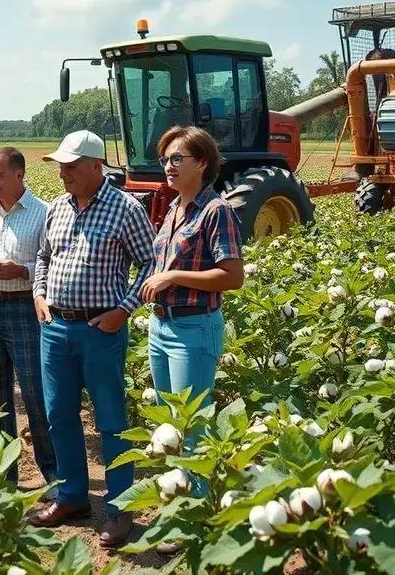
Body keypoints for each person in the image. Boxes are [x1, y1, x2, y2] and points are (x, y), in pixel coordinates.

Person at [29, 130, 156, 549]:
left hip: (101, 331)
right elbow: (44, 256)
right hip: (56, 329)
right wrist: (39, 293)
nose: (62, 172)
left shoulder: (125, 208)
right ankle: (71, 497)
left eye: (70, 165)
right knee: (59, 416)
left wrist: (124, 309)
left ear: (94, 166)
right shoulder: (57, 208)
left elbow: (150, 264)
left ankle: (120, 510)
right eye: (60, 165)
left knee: (111, 422)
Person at [139, 126, 244, 553]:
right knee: (171, 425)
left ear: (202, 163)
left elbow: (233, 276)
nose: (168, 165)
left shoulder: (215, 210)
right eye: (165, 158)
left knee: (193, 429)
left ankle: (194, 522)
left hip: (193, 328)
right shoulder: (174, 209)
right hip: (161, 327)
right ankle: (178, 509)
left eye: (177, 158)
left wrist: (173, 276)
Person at [0, 146, 57, 499]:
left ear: (19, 174)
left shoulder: (42, 213)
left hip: (24, 307)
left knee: (35, 393)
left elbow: (51, 264)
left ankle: (53, 476)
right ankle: (4, 476)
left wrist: (22, 271)